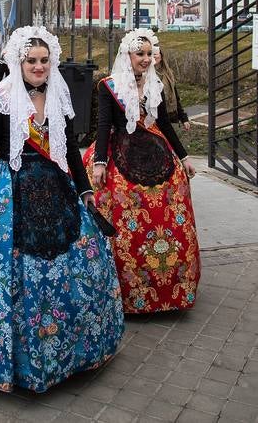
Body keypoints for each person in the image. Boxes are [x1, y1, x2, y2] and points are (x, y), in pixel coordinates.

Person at [0, 26, 124, 393]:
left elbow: (71, 151)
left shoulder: (59, 93)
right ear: (19, 61)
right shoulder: (1, 95)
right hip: (10, 188)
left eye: (45, 60)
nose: (39, 67)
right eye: (32, 61)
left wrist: (85, 189)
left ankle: (71, 351)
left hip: (56, 188)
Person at [83, 28, 200, 315]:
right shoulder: (108, 86)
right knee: (121, 200)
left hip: (155, 149)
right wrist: (99, 162)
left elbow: (165, 124)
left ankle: (168, 285)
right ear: (128, 55)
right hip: (119, 148)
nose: (146, 59)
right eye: (141, 54)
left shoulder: (154, 85)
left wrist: (183, 157)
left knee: (171, 198)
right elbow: (103, 125)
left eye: (150, 54)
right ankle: (125, 285)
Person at [154, 46, 191, 131]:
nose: (154, 56)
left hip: (170, 117)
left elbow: (176, 97)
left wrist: (183, 118)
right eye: (151, 54)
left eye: (156, 53)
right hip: (155, 121)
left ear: (161, 55)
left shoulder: (168, 74)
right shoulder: (143, 75)